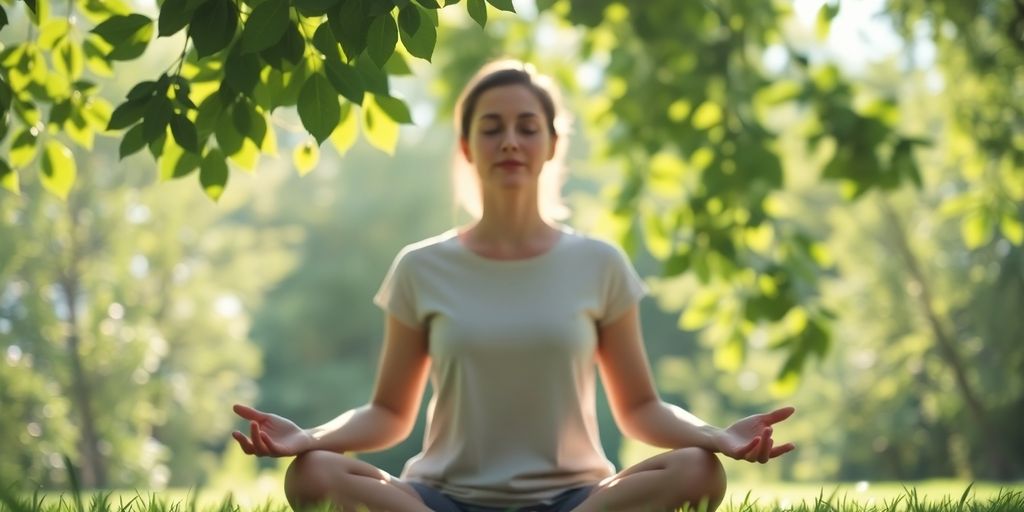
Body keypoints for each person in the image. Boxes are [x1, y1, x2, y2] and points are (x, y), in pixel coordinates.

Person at [231, 60, 796, 512]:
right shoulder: (420, 267)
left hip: (576, 500)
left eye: (527, 127)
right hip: (439, 499)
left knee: (698, 470)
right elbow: (387, 414)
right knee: (313, 475)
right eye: (491, 127)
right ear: (466, 147)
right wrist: (309, 438)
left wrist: (717, 436)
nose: (509, 141)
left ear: (551, 145)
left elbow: (641, 409)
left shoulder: (599, 263)